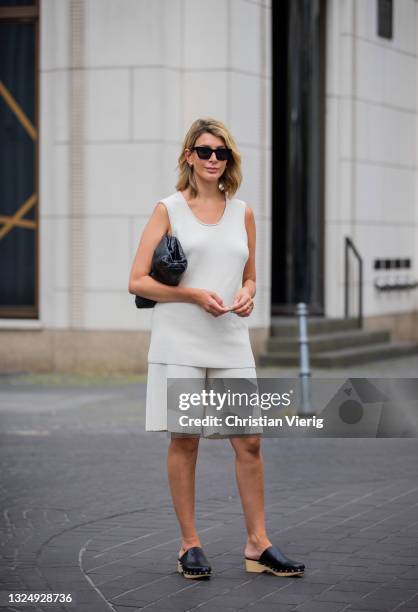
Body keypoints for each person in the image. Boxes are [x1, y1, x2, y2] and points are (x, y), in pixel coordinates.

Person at [128, 118, 305, 580]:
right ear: (188, 155)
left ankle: (258, 544)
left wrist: (248, 295)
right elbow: (137, 280)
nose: (212, 159)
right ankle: (190, 545)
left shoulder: (242, 211)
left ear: (229, 159)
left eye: (221, 152)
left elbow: (249, 275)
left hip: (230, 339)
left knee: (249, 440)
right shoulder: (168, 209)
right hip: (180, 339)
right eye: (204, 151)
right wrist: (190, 293)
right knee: (185, 441)